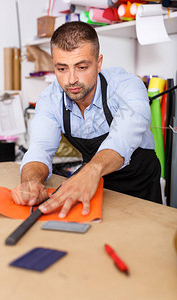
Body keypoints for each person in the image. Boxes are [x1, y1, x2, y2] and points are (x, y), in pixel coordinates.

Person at [12, 21, 162, 218]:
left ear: (99, 63)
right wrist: (30, 182)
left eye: (81, 67)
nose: (71, 79)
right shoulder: (50, 99)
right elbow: (40, 149)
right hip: (94, 191)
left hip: (140, 190)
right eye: (62, 69)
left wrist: (91, 171)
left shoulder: (128, 87)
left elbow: (120, 142)